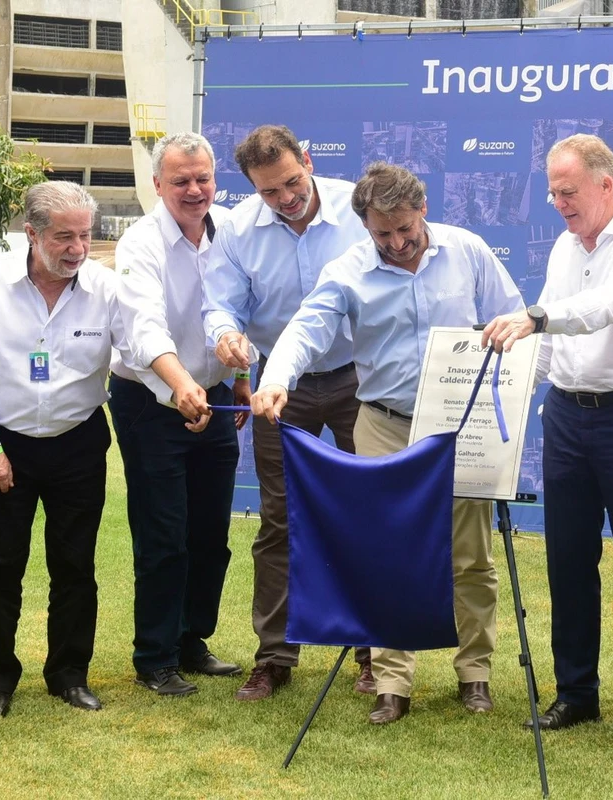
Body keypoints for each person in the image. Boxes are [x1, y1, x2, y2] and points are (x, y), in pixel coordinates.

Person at [252, 160, 523, 724]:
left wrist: (515, 388)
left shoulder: (469, 251)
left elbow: (514, 318)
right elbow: (308, 328)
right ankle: (391, 683)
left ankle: (475, 674)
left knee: (471, 556)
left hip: (459, 426)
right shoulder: (348, 269)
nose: (397, 243)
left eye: (406, 228)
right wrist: (277, 378)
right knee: (383, 553)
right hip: (382, 423)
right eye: (383, 234)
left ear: (423, 210)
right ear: (365, 227)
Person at [481, 134, 613, 745]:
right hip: (567, 417)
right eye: (551, 192)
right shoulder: (566, 248)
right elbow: (549, 337)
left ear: (605, 184)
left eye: (567, 191)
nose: (558, 203)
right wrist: (514, 401)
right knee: (569, 559)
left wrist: (539, 317)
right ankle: (576, 693)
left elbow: (607, 306)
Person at [202, 124, 369, 702]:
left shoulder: (359, 207)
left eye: (292, 183)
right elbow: (222, 305)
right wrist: (225, 336)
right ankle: (273, 657)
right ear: (251, 186)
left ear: (309, 158)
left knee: (367, 512)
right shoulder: (238, 228)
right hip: (279, 386)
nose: (285, 199)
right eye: (269, 192)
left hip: (360, 378)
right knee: (280, 521)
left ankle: (372, 655)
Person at [0, 183, 123, 717]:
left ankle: (68, 674)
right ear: (31, 234)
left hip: (78, 440)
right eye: (64, 237)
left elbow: (140, 346)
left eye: (86, 235)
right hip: (2, 441)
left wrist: (181, 390)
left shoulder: (106, 288)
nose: (78, 248)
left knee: (75, 565)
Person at [111, 132, 245, 696]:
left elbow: (241, 306)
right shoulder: (140, 244)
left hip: (212, 399)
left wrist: (237, 375)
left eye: (203, 178)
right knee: (164, 534)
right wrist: (182, 385)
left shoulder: (233, 231)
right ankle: (155, 657)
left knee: (211, 533)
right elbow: (144, 328)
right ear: (157, 184)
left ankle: (193, 641)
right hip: (150, 401)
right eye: (181, 180)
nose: (194, 190)